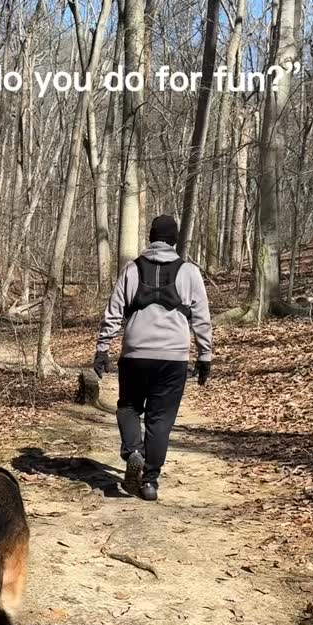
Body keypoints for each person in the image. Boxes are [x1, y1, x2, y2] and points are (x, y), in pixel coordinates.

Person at [93, 214, 212, 501]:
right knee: (160, 420)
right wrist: (205, 356)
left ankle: (133, 450)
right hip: (173, 357)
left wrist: (102, 348)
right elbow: (202, 317)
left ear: (151, 238)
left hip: (136, 354)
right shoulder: (189, 272)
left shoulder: (132, 269)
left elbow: (114, 311)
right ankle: (149, 483)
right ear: (174, 240)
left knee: (129, 407)